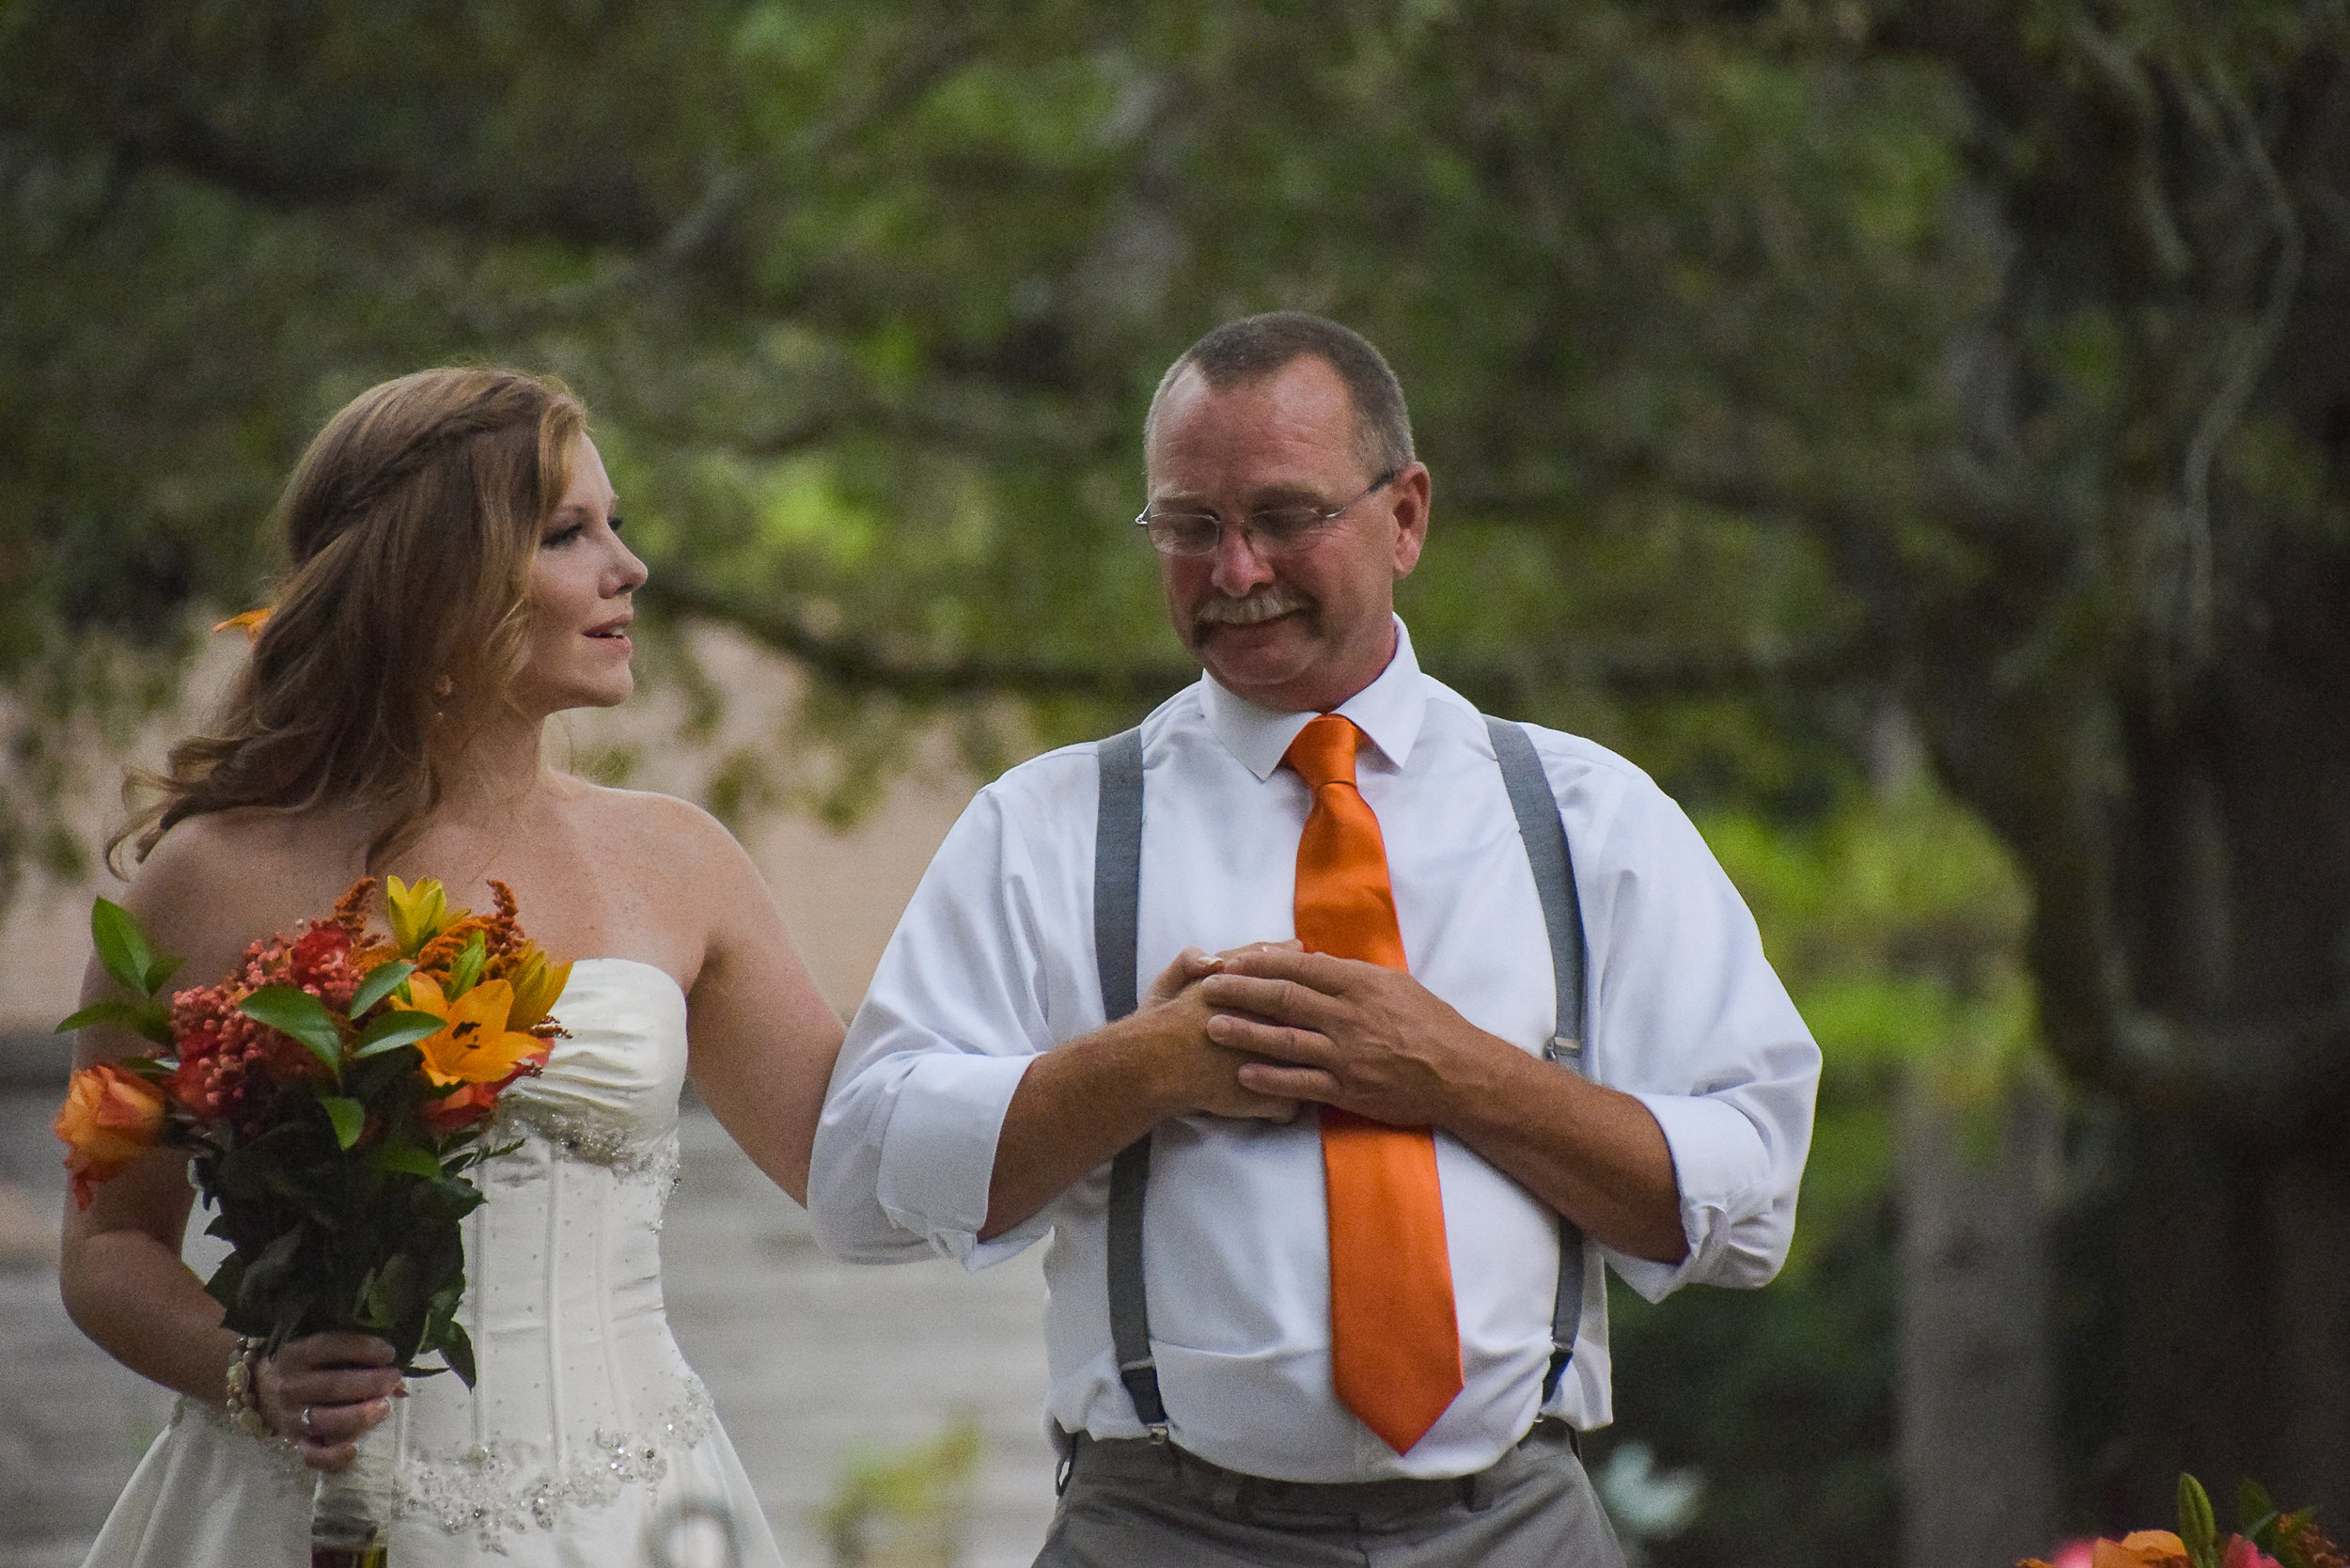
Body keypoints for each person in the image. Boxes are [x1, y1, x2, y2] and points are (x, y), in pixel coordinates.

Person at [809, 313, 1821, 1565]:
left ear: (1406, 516)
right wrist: (1145, 1069)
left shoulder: (1584, 817)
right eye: (1189, 526)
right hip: (1161, 1531)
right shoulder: (1048, 827)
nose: (1235, 571)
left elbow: (1749, 1197)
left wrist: (1456, 1074)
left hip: (1514, 1527)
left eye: (1285, 517)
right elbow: (862, 1180)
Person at [60, 368, 844, 1565]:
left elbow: (861, 1153)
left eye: (614, 528)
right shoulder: (202, 882)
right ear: (437, 578)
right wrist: (253, 1371)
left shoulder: (680, 861)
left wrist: (1113, 1050)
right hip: (300, 1510)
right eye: (568, 533)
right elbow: (108, 1246)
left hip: (629, 1515)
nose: (626, 569)